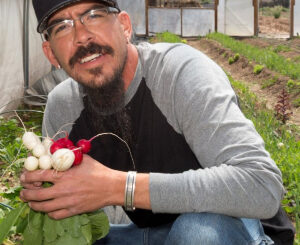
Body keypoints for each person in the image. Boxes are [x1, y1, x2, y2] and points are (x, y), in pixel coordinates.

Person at [19, 0, 288, 244]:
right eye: (62, 28)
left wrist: (119, 187)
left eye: (94, 15)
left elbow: (261, 184)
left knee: (198, 233)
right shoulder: (62, 106)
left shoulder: (180, 74)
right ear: (51, 54)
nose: (82, 36)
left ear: (124, 26)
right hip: (145, 233)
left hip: (231, 229)